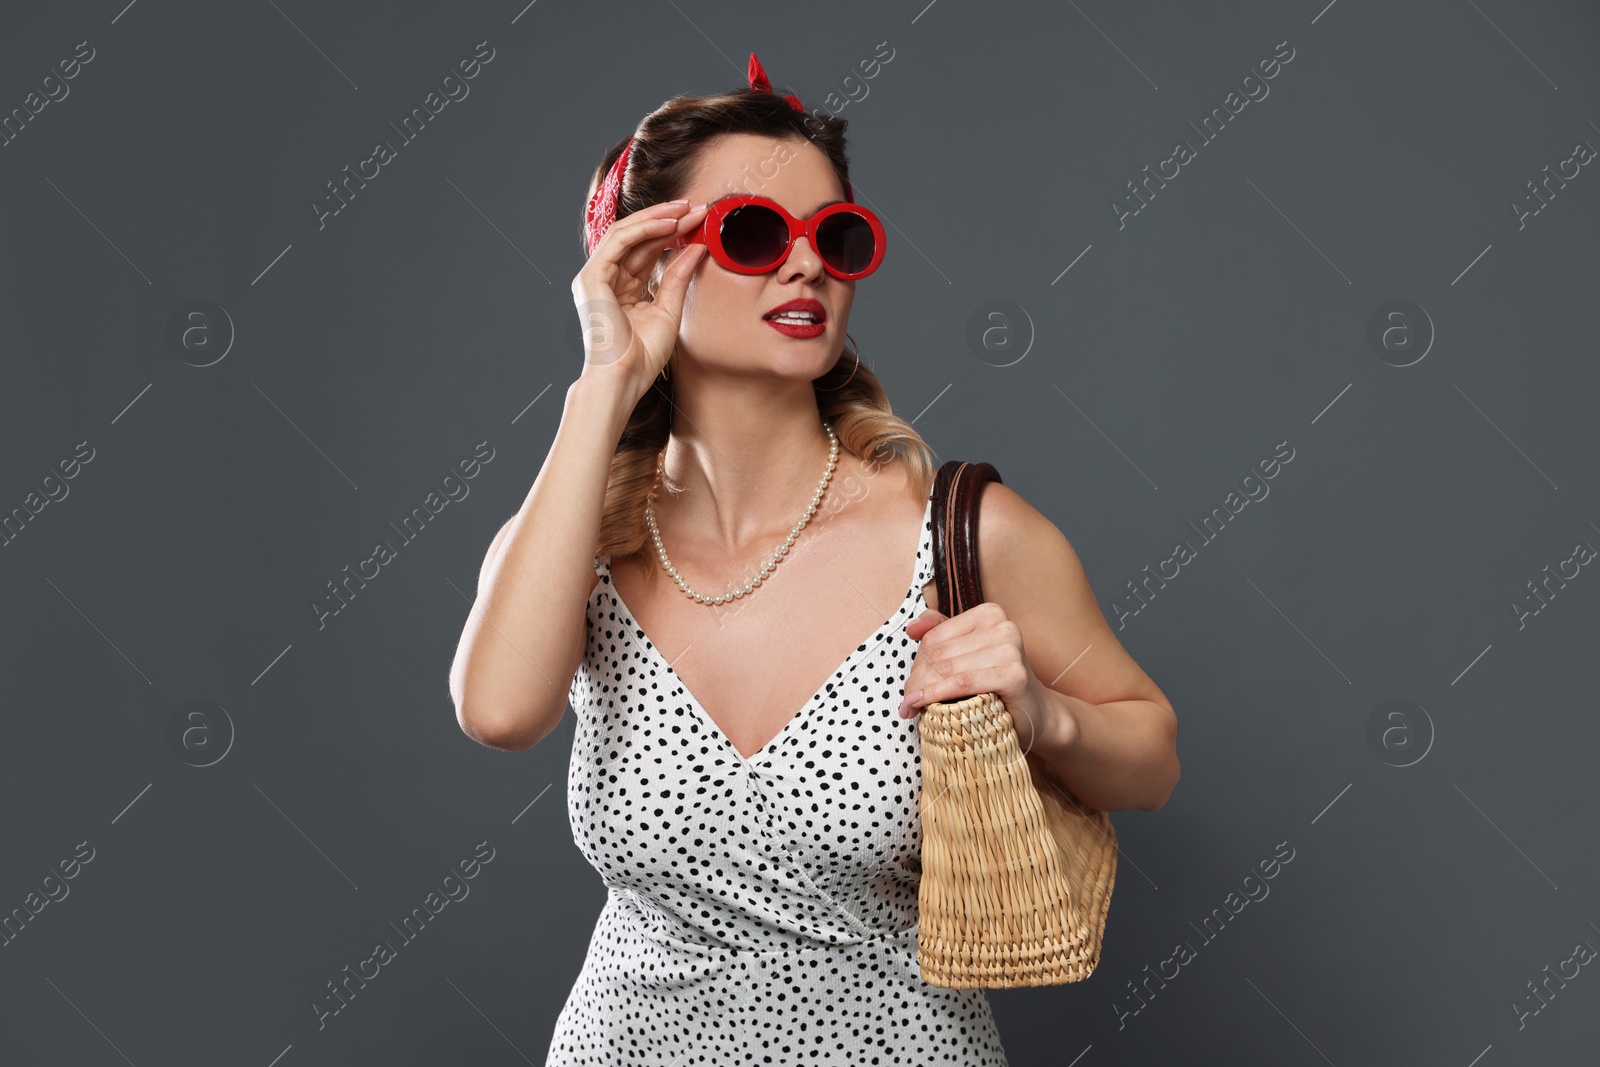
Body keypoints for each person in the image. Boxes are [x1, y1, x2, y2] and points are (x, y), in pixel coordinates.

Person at [448, 53, 1180, 1066]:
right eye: (751, 233)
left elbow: (1152, 758)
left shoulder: (965, 531)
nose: (806, 266)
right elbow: (498, 711)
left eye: (833, 237)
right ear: (647, 263)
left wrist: (1041, 712)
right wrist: (603, 378)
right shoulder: (578, 542)